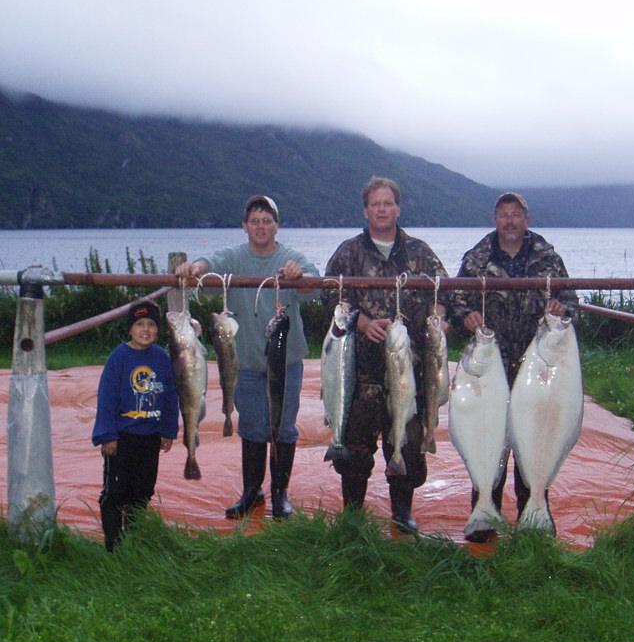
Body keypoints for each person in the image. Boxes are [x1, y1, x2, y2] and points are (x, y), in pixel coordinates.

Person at [175, 195, 319, 519]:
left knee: (284, 428)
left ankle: (280, 494)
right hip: (245, 364)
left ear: (277, 226)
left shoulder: (291, 258)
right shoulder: (234, 257)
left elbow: (313, 282)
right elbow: (209, 262)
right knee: (252, 428)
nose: (261, 226)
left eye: (267, 220)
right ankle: (252, 492)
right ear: (245, 226)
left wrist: (300, 276)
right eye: (255, 220)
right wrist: (194, 268)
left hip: (286, 364)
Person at [322, 176, 450, 534]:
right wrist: (361, 323)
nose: (382, 209)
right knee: (355, 449)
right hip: (359, 373)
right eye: (375, 204)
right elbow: (328, 296)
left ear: (398, 208)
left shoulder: (420, 252)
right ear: (366, 211)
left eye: (388, 203)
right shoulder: (348, 252)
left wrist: (438, 315)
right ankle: (353, 514)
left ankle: (402, 512)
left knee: (407, 444)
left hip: (409, 373)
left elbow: (444, 292)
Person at [449, 192, 580, 541]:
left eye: (516, 214)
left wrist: (562, 310)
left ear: (527, 220)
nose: (509, 221)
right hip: (490, 371)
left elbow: (572, 303)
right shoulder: (476, 259)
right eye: (503, 214)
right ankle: (484, 517)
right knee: (487, 444)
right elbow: (455, 303)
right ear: (495, 220)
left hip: (535, 373)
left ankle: (533, 518)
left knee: (534, 445)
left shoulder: (549, 259)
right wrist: (466, 316)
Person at [92, 300, 179, 550]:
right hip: (122, 438)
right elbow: (106, 398)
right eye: (140, 324)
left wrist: (168, 430)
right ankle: (113, 544)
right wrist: (107, 435)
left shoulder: (161, 358)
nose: (145, 329)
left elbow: (170, 396)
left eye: (151, 324)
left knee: (142, 491)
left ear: (158, 329)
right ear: (130, 329)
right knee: (116, 492)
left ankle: (132, 538)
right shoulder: (119, 358)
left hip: (150, 437)